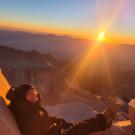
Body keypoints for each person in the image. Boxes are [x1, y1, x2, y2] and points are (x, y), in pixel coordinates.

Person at [6, 84, 116, 135]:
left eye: (35, 93)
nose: (35, 96)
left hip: (54, 129)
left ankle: (101, 120)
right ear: (22, 97)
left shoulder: (29, 108)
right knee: (79, 128)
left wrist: (56, 121)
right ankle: (102, 121)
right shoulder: (28, 117)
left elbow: (43, 120)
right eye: (30, 94)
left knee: (76, 125)